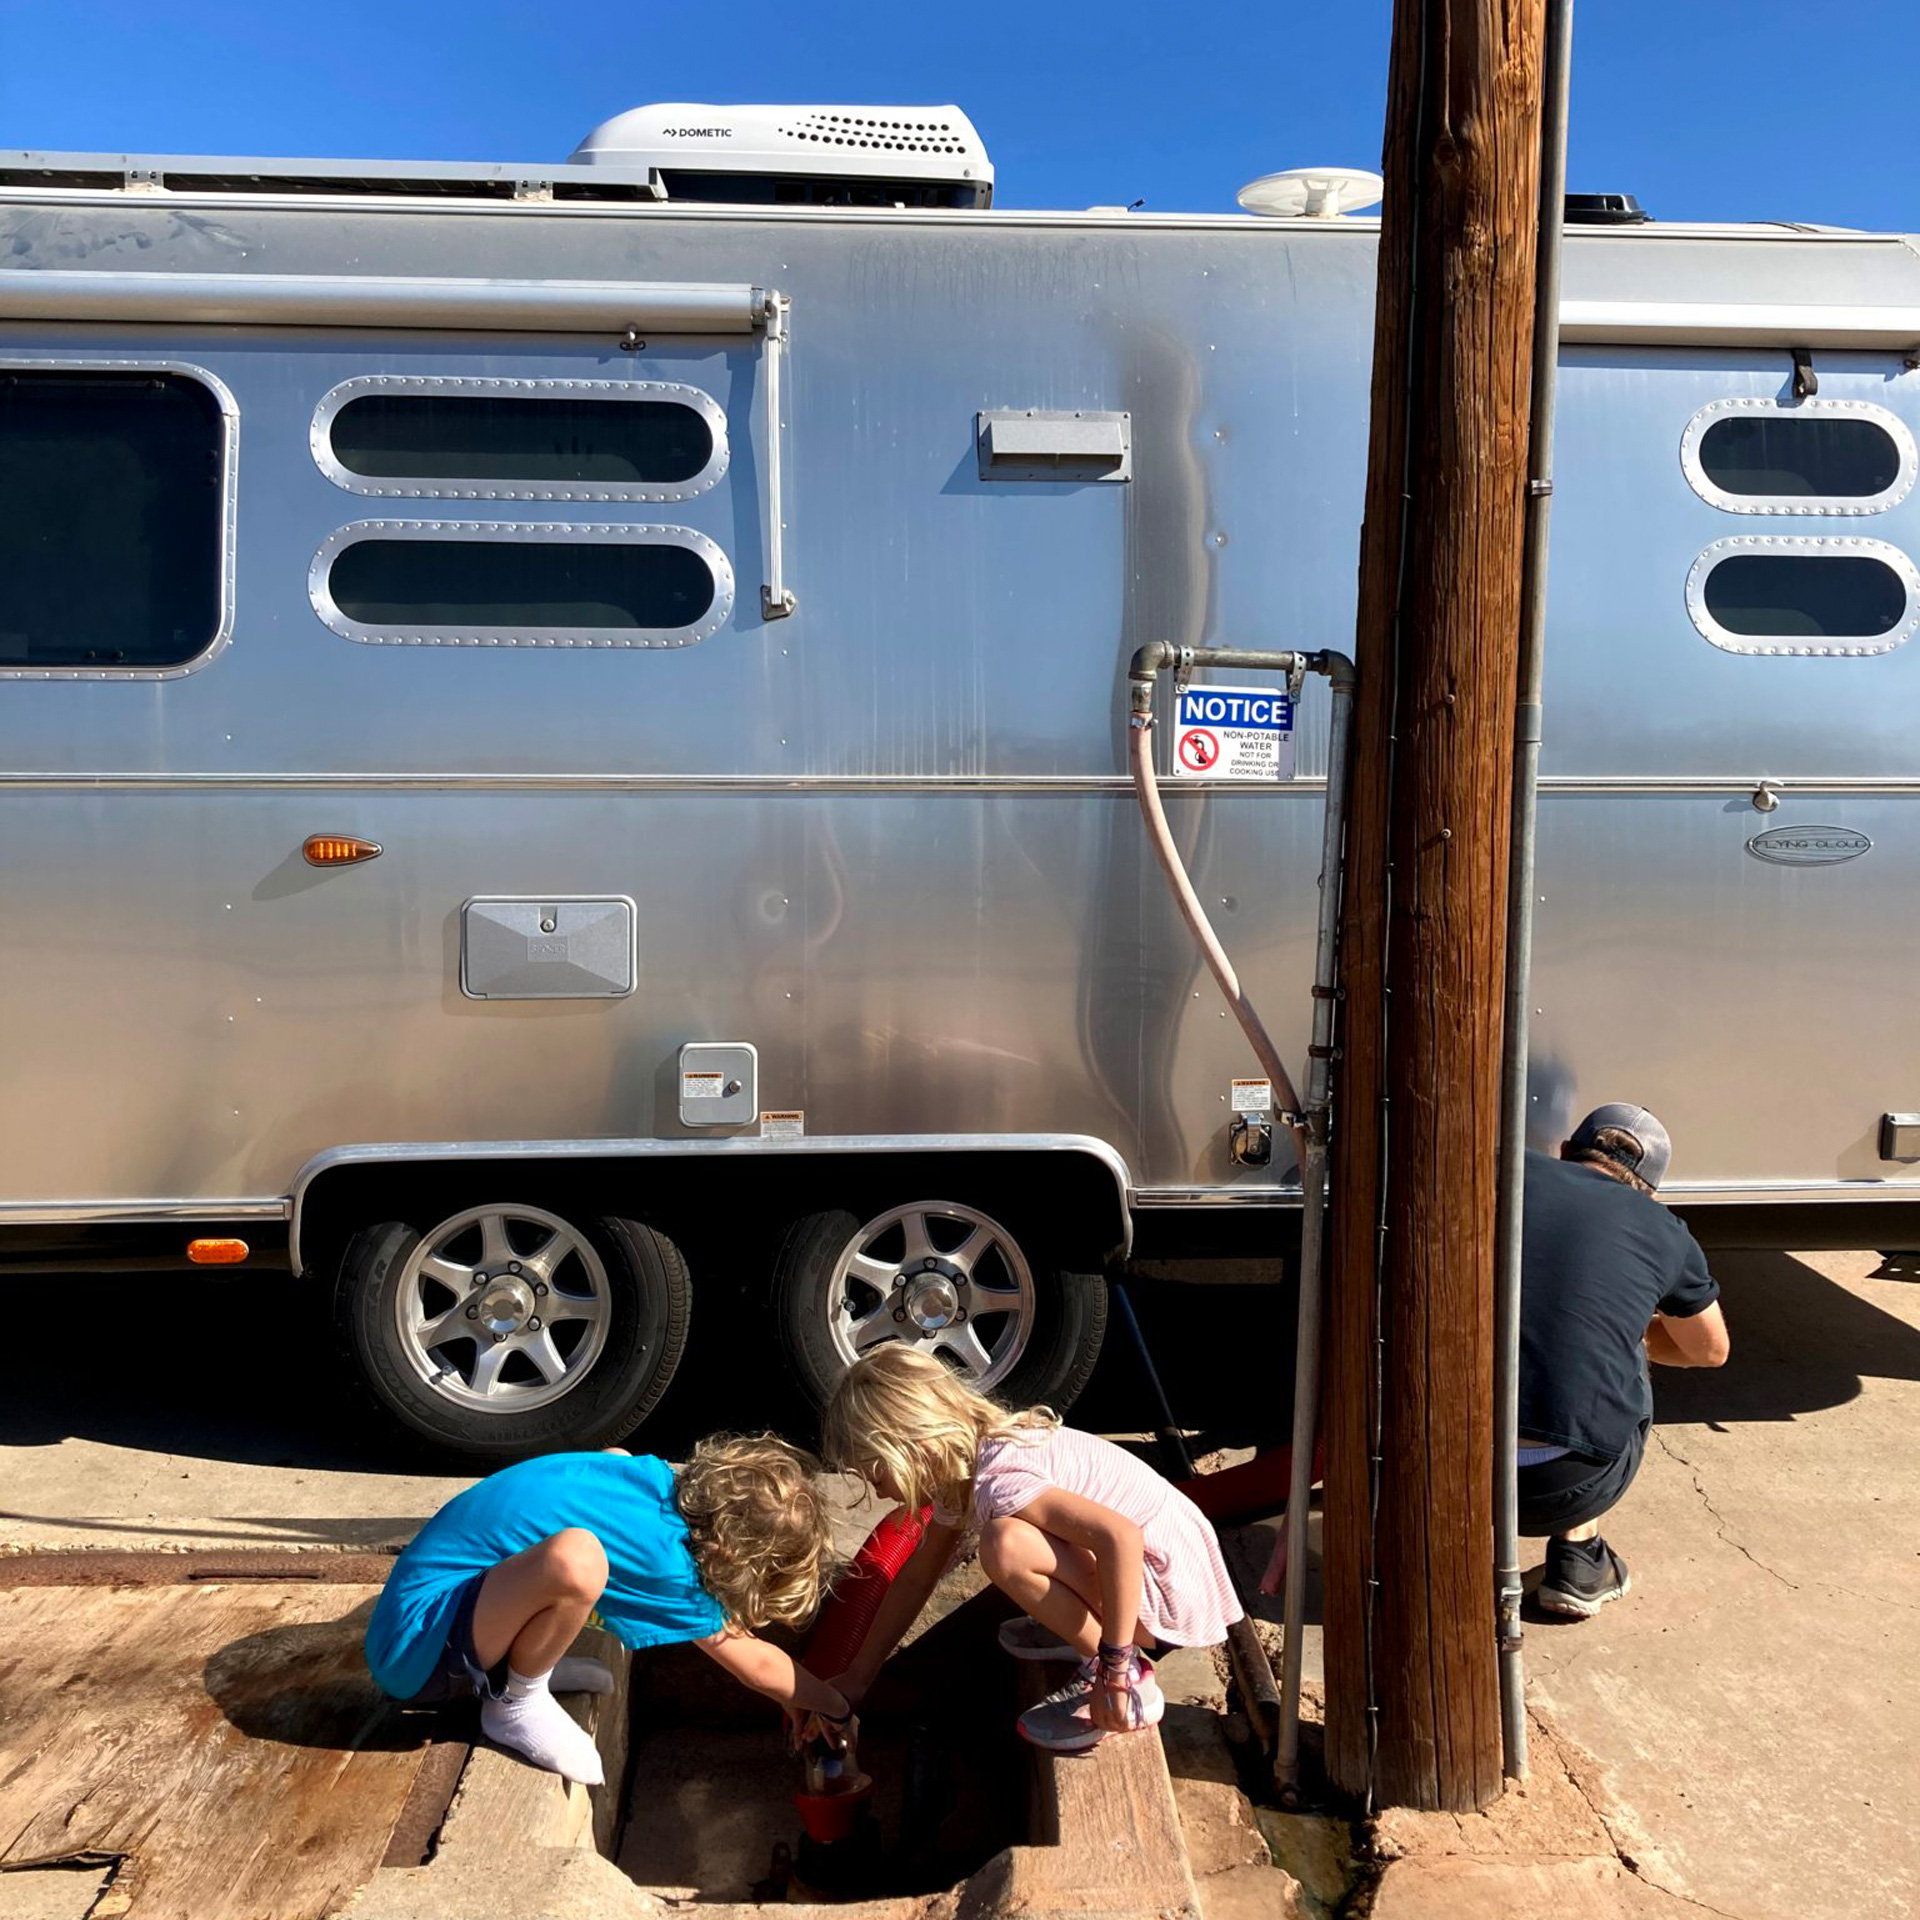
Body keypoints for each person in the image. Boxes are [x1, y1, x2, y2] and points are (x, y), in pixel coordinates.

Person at [819, 1345, 1243, 1753]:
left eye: (877, 1477)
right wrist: (857, 1677)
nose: (881, 1494)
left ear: (914, 1446)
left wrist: (1113, 1670)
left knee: (1005, 1546)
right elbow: (916, 1577)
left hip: (1168, 1590)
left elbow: (1122, 1537)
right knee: (1007, 1540)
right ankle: (1084, 1629)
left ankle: (1123, 1673)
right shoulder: (969, 1467)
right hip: (1163, 1570)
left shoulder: (1000, 1480)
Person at [364, 1435, 851, 1783]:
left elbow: (605, 1458)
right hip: (415, 1656)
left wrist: (796, 1697)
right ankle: (516, 1702)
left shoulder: (650, 1476)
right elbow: (757, 1662)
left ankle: (522, 1666)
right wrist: (837, 1706)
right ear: (734, 1559)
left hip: (429, 1609)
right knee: (579, 1562)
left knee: (590, 1546)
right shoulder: (670, 1568)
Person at [1521, 1103, 1730, 1618]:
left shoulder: (1507, 1171)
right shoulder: (1664, 1229)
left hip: (1442, 1462)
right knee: (1621, 1352)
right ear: (1650, 1189)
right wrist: (1627, 1334)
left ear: (1566, 1152)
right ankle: (1579, 1560)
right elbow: (1710, 1351)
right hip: (1562, 1488)